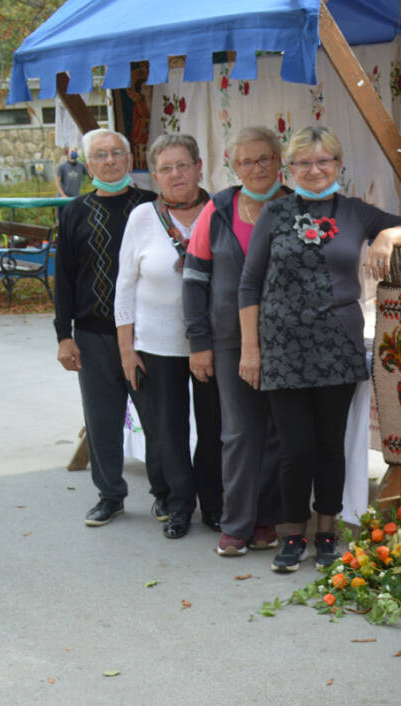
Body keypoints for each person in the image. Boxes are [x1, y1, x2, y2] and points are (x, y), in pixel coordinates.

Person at [238, 126, 401, 572]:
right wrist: (250, 350)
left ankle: (328, 533)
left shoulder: (354, 212)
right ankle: (294, 534)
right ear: (290, 169)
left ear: (338, 165)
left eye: (324, 161)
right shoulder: (274, 214)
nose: (315, 170)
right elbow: (249, 283)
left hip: (337, 344)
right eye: (304, 163)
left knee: (330, 447)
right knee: (295, 449)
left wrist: (385, 238)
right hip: (282, 348)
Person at [183, 126, 290, 556]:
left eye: (263, 159)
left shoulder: (296, 206)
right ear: (233, 166)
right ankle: (236, 523)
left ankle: (265, 519)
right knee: (239, 431)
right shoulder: (219, 208)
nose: (256, 168)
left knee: (277, 432)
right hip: (228, 338)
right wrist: (198, 341)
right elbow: (193, 279)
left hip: (286, 338)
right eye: (245, 161)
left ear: (279, 161)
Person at [115, 133, 223, 540]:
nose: (176, 174)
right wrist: (127, 349)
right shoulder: (142, 218)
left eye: (183, 165)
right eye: (166, 168)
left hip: (211, 343)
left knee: (214, 427)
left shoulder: (221, 210)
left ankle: (215, 503)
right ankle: (180, 505)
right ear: (155, 176)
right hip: (157, 344)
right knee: (169, 429)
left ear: (199, 165)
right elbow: (124, 287)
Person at [53, 128, 160, 527]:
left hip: (148, 334)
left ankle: (165, 494)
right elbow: (63, 278)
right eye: (100, 155)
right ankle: (110, 494)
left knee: (157, 416)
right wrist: (64, 335)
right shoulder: (75, 212)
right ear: (88, 163)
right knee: (101, 418)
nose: (110, 161)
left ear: (130, 158)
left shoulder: (152, 207)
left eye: (117, 153)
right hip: (94, 334)